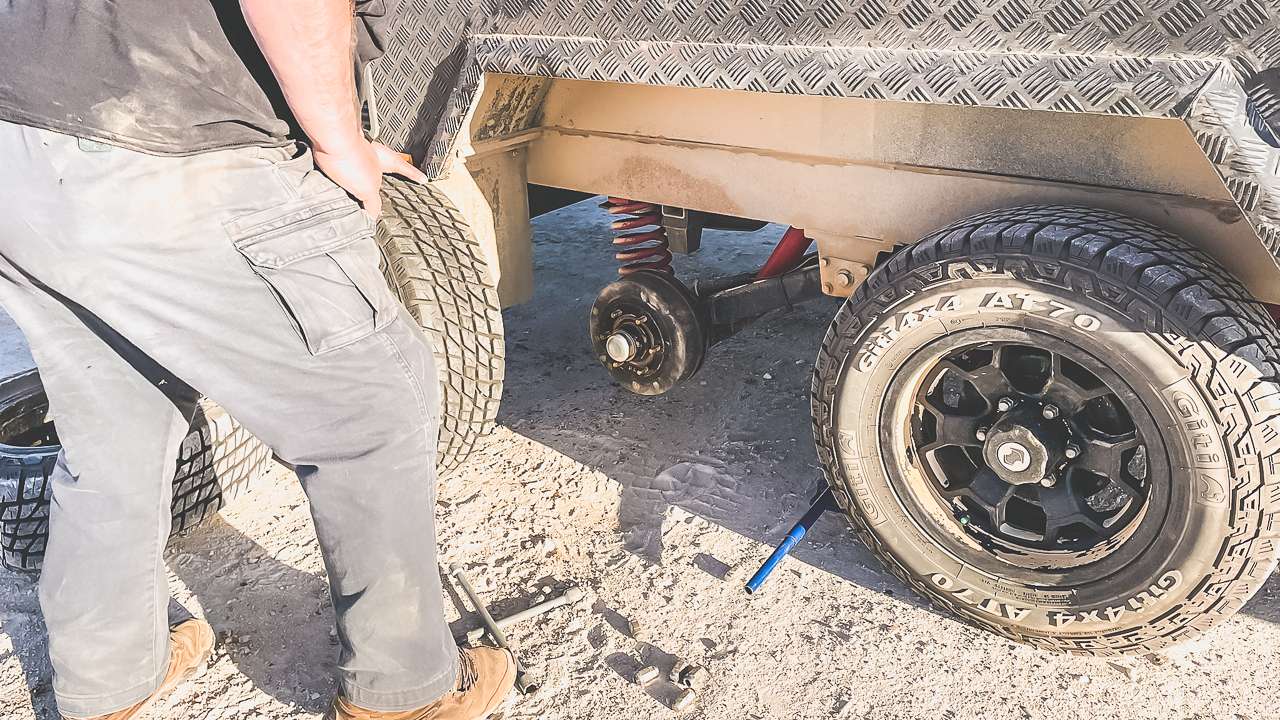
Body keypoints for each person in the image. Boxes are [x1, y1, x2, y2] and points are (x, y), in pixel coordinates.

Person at [0, 2, 515, 719]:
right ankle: (406, 695)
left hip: (20, 142)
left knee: (114, 425)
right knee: (372, 404)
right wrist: (342, 147)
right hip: (166, 134)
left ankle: (110, 680)